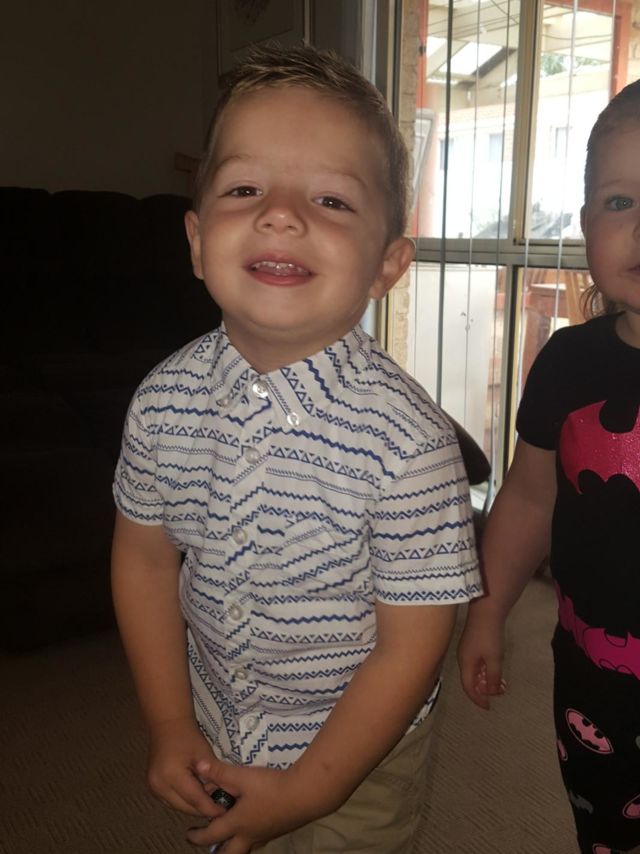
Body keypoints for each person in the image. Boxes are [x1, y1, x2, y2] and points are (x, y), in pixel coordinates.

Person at [112, 42, 481, 854]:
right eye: (245, 189)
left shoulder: (410, 446)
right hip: (217, 719)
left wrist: (313, 788)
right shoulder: (161, 404)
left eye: (331, 199)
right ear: (197, 239)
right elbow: (143, 561)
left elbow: (413, 642)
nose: (280, 214)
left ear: (387, 265)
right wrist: (170, 723)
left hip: (358, 751)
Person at [457, 78, 640, 854]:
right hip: (594, 675)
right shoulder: (567, 364)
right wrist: (488, 611)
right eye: (621, 202)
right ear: (586, 223)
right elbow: (530, 500)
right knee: (603, 825)